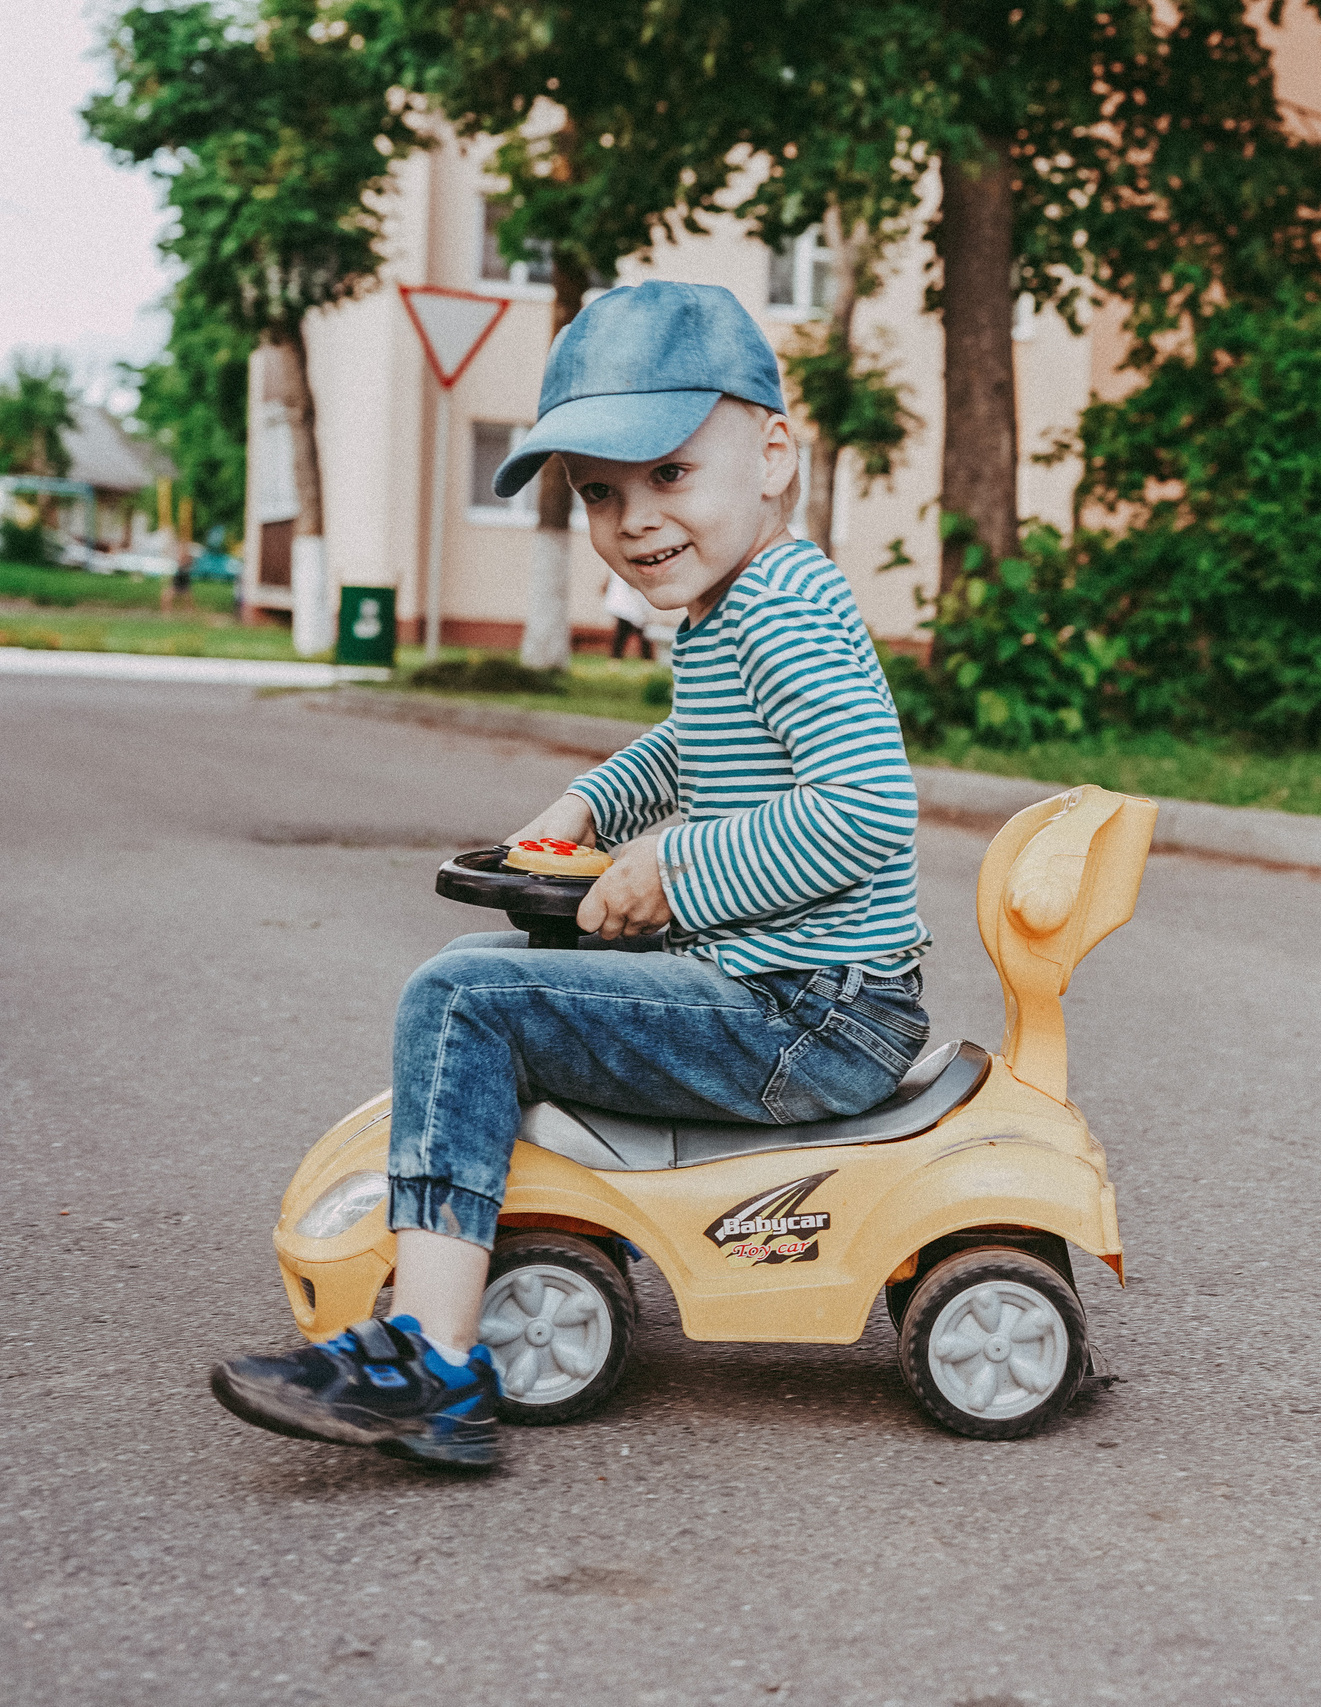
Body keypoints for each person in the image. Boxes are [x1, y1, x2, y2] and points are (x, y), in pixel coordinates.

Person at [209, 282, 931, 1469]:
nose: (635, 520)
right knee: (486, 971)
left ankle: (431, 1364)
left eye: (669, 473)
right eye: (599, 492)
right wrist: (594, 808)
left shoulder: (781, 609)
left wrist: (672, 872)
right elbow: (697, 747)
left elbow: (865, 811)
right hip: (801, 994)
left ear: (773, 456)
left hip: (811, 1015)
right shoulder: (737, 604)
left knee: (464, 999)